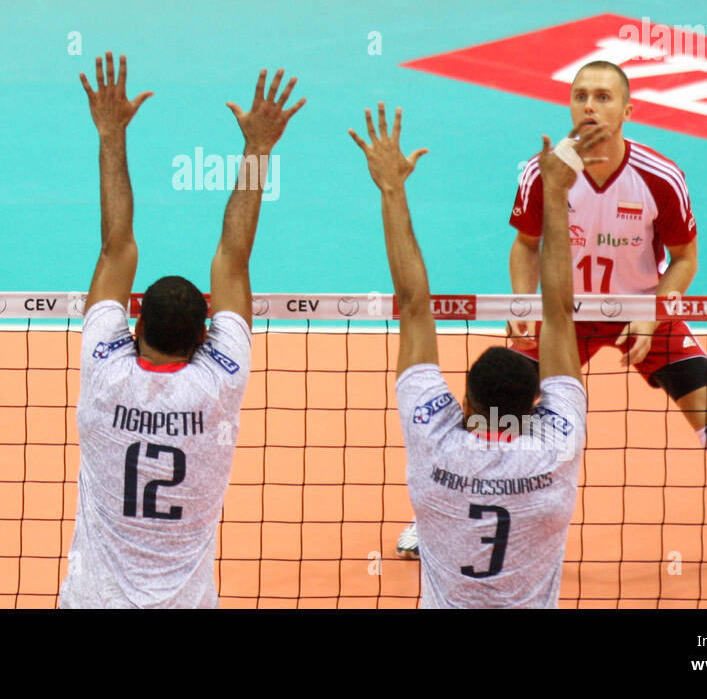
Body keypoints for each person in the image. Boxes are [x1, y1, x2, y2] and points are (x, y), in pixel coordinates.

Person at [399, 60, 707, 580]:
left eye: (602, 97)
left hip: (642, 307)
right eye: (580, 95)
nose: (589, 106)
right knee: (492, 416)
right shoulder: (544, 172)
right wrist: (522, 305)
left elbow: (685, 258)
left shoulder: (659, 177)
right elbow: (526, 246)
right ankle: (438, 515)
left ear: (627, 109)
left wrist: (654, 311)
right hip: (560, 315)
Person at [59, 55, 303, 608]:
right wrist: (258, 149)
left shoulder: (105, 367)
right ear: (204, 338)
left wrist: (111, 135)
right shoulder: (219, 382)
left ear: (134, 323)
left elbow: (116, 245)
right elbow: (233, 259)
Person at [354, 104, 602, 607]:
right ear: (536, 407)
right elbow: (559, 315)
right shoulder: (556, 447)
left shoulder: (435, 440)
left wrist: (392, 189)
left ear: (465, 404)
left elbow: (414, 307)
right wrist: (555, 194)